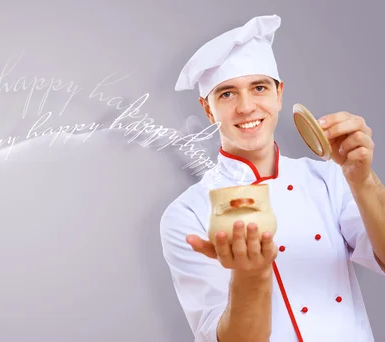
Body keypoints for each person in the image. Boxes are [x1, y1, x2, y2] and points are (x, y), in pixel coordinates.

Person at [159, 14, 385, 342]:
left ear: (279, 94)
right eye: (226, 94)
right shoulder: (187, 214)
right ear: (208, 110)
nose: (246, 107)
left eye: (259, 87)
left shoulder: (329, 179)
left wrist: (364, 181)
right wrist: (251, 276)